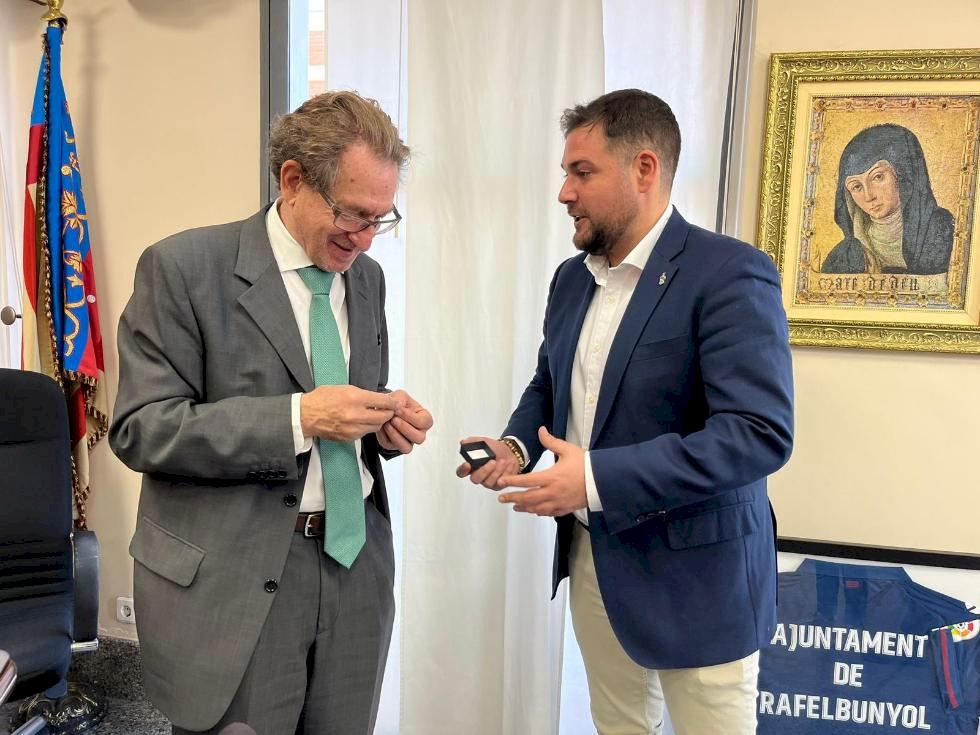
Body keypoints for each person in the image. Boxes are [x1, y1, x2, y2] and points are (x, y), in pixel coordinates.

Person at [457, 89, 794, 735]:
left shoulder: (730, 272)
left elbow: (757, 435)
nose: (564, 192)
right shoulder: (570, 279)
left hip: (702, 581)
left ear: (644, 169)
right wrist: (516, 446)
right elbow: (551, 383)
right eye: (565, 172)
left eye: (581, 172)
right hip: (596, 562)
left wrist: (592, 479)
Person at [110, 91, 433, 735]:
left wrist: (385, 429)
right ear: (292, 180)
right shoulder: (183, 268)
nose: (365, 239)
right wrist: (298, 419)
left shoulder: (366, 280)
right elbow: (142, 429)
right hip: (234, 580)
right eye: (352, 214)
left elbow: (345, 412)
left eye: (381, 218)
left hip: (355, 568)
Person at [821, 123, 954, 275]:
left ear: (903, 175)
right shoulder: (845, 256)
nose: (869, 196)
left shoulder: (942, 231)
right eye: (856, 186)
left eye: (877, 177)